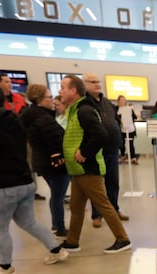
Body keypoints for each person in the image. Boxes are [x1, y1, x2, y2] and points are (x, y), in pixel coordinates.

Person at [0, 81, 69, 274]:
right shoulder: (15, 120)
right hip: (25, 182)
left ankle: (5, 267)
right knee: (29, 221)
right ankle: (57, 250)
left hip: (0, 186)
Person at [57, 74, 131, 254]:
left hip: (88, 168)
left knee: (103, 204)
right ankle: (72, 241)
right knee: (76, 206)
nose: (60, 92)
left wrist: (84, 152)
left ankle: (123, 239)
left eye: (63, 88)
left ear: (73, 91)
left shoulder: (84, 110)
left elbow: (99, 134)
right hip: (78, 169)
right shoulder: (75, 110)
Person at [19, 84, 70, 237]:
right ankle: (59, 226)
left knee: (56, 194)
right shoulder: (43, 118)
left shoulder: (33, 115)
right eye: (49, 97)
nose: (52, 100)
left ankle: (57, 224)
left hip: (43, 162)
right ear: (39, 100)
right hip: (54, 164)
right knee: (58, 195)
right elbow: (54, 140)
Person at [83, 72, 129, 228]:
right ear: (85, 85)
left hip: (112, 149)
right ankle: (97, 214)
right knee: (98, 186)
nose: (97, 84)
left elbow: (115, 121)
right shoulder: (85, 105)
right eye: (92, 81)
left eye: (98, 81)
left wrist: (120, 142)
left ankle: (114, 209)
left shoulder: (107, 103)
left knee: (113, 182)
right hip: (97, 151)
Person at [116, 95, 137, 164]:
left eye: (123, 100)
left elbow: (134, 117)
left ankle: (133, 157)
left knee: (131, 144)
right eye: (120, 100)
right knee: (121, 144)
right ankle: (122, 156)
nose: (122, 101)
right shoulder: (116, 109)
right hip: (121, 129)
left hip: (130, 129)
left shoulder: (129, 109)